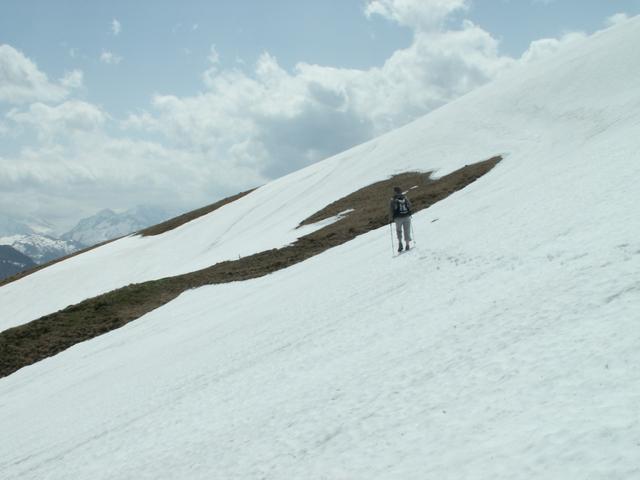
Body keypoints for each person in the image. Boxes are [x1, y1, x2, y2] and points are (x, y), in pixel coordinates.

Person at [389, 186, 412, 252]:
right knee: (407, 230)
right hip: (406, 216)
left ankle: (400, 243)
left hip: (398, 218)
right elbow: (410, 205)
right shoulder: (405, 197)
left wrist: (390, 218)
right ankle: (407, 245)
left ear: (395, 191)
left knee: (399, 231)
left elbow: (391, 209)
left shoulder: (393, 199)